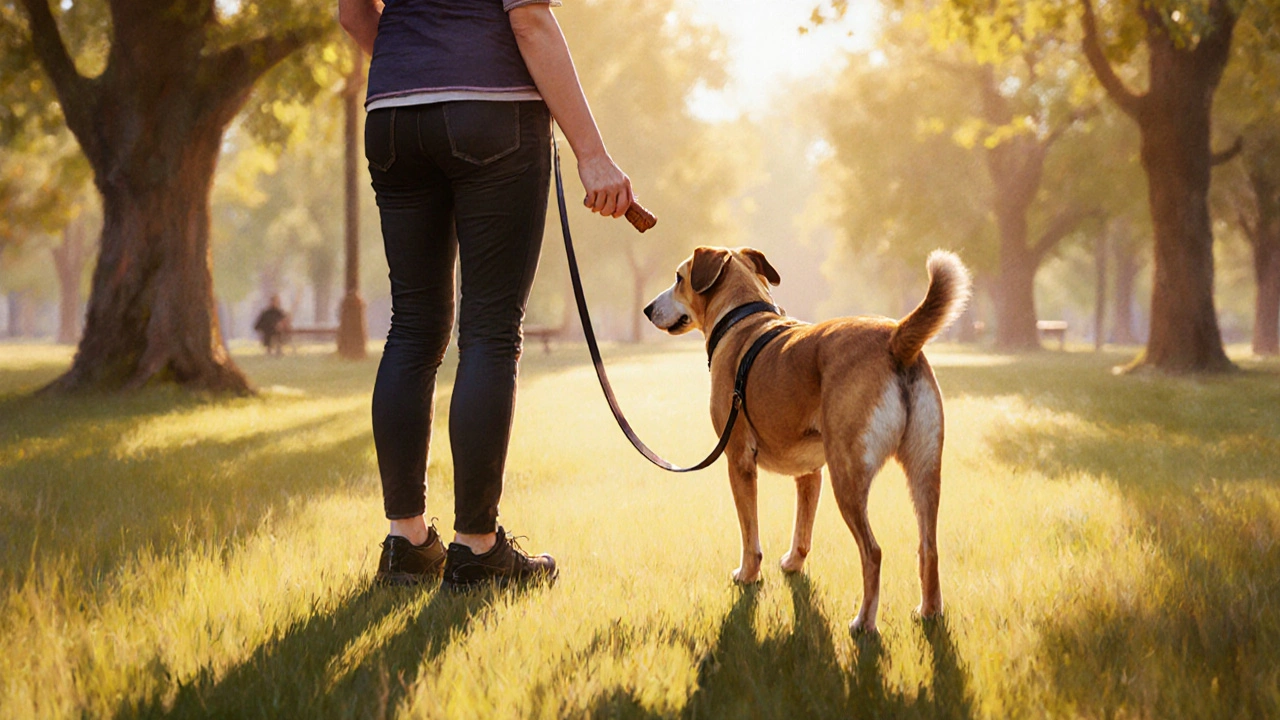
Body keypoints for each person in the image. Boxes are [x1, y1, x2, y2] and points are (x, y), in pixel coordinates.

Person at [339, 0, 635, 589]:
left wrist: (418, 72)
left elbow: (352, 15)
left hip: (393, 114)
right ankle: (476, 550)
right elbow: (529, 19)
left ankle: (406, 544)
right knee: (490, 330)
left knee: (414, 326)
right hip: (494, 110)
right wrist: (592, 155)